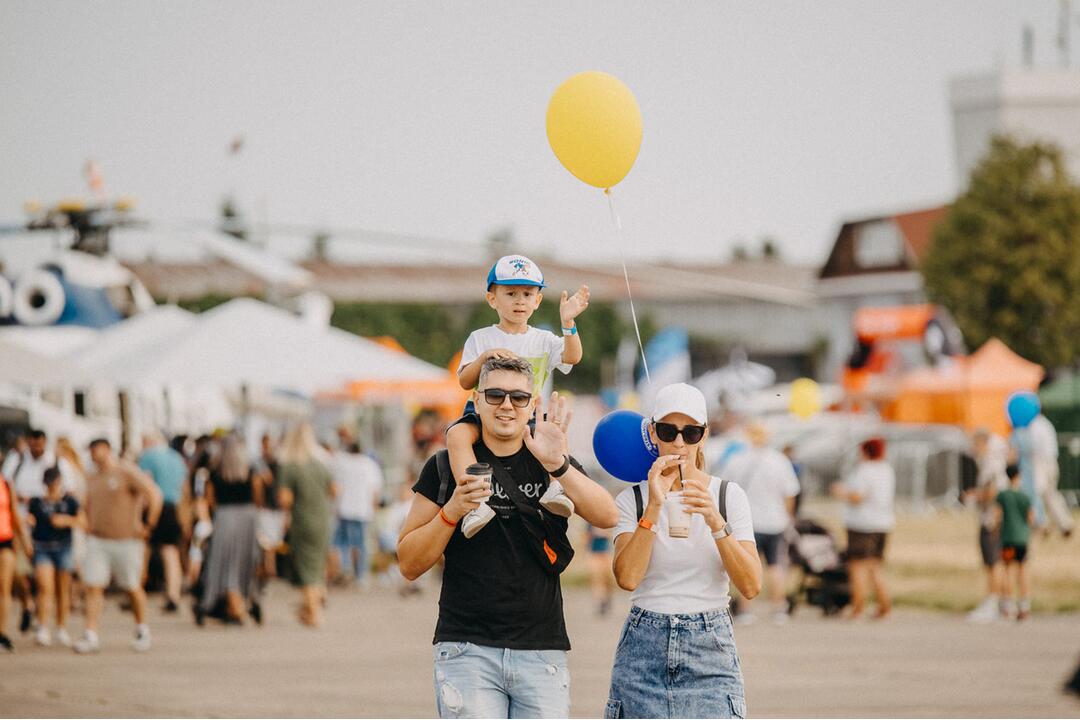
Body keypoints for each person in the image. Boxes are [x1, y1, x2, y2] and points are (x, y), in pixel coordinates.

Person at [398, 357, 618, 719]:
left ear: (532, 404)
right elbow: (408, 562)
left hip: (541, 650)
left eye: (518, 397)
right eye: (496, 394)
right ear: (477, 400)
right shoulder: (443, 467)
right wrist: (451, 511)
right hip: (466, 649)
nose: (506, 405)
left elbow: (607, 516)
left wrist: (558, 464)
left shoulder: (547, 460)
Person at [607, 383, 760, 719]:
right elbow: (627, 578)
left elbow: (750, 585)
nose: (678, 442)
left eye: (690, 433)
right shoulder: (632, 499)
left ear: (703, 436)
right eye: (667, 431)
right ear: (652, 433)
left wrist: (715, 521)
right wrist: (654, 507)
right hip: (644, 643)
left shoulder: (727, 496)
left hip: (710, 644)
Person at [447, 254, 590, 537]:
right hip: (484, 414)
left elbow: (572, 356)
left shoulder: (544, 339)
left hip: (530, 416)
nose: (520, 300)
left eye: (527, 294)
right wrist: (484, 357)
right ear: (492, 299)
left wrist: (568, 323)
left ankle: (556, 488)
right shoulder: (481, 338)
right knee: (456, 435)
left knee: (554, 434)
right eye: (510, 293)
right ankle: (476, 502)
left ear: (537, 301)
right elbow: (464, 380)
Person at [75, 438, 162, 654]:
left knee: (132, 587)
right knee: (93, 586)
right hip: (98, 539)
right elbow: (85, 504)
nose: (93, 455)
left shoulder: (126, 472)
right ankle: (91, 633)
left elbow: (154, 495)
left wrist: (148, 524)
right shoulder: (92, 477)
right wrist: (85, 521)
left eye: (95, 450)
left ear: (106, 449)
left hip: (126, 540)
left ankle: (142, 629)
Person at [724, 422, 800, 625]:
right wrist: (788, 516)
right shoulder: (779, 461)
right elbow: (790, 493)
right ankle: (779, 608)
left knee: (747, 565)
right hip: (775, 521)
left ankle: (746, 610)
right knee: (776, 565)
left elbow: (726, 489)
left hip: (747, 522)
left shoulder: (737, 459)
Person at [196, 433, 262, 626]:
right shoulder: (250, 469)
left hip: (224, 517)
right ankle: (239, 602)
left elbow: (209, 499)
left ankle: (228, 604)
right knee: (243, 560)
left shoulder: (215, 470)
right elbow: (258, 494)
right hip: (247, 517)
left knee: (222, 561)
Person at [277, 423, 335, 627]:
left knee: (306, 566)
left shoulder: (289, 467)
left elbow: (285, 499)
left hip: (302, 520)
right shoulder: (320, 465)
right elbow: (335, 490)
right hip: (322, 518)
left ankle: (314, 613)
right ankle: (312, 603)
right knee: (317, 563)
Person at [832, 437, 895, 620]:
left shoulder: (864, 471)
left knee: (857, 567)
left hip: (862, 525)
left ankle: (857, 607)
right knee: (875, 566)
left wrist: (840, 491)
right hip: (883, 523)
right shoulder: (887, 470)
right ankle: (884, 605)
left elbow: (858, 496)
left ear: (865, 452)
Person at [27, 467, 82, 646]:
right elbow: (29, 518)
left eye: (55, 482)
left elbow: (83, 522)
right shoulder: (36, 502)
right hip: (42, 547)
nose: (53, 487)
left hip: (64, 548)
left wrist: (65, 520)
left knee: (63, 590)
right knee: (45, 587)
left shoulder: (70, 502)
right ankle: (43, 626)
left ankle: (61, 627)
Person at [138, 431, 188, 612]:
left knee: (144, 549)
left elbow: (145, 484)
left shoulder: (147, 457)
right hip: (172, 507)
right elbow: (183, 486)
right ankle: (173, 595)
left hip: (154, 506)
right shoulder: (177, 458)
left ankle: (137, 592)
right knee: (170, 552)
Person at [966, 428, 1010, 623]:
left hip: (992, 520)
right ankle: (1004, 603)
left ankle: (993, 601)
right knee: (995, 563)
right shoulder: (990, 463)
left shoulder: (992, 464)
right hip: (991, 518)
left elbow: (994, 492)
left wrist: (975, 495)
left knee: (994, 563)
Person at [331, 428, 383, 587]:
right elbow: (375, 490)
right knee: (360, 543)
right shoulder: (369, 465)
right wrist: (374, 508)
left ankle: (346, 569)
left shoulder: (342, 462)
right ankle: (361, 574)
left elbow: (335, 486)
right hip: (362, 509)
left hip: (345, 508)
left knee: (343, 543)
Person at [995, 464, 1035, 621]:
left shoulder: (1003, 495)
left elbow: (997, 515)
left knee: (1008, 571)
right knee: (1023, 571)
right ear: (1018, 476)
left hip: (1008, 538)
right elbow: (1031, 518)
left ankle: (1008, 606)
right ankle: (1024, 606)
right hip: (1022, 538)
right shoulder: (1025, 496)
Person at [0, 469, 32, 651]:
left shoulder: (5, 483)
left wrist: (25, 541)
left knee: (4, 585)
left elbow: (14, 514)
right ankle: (27, 603)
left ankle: (2, 633)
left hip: (5, 540)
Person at [1029, 413, 1074, 538]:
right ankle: (1065, 523)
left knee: (1037, 493)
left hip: (1041, 463)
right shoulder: (1046, 424)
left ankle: (1042, 523)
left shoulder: (1034, 425)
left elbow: (1032, 446)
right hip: (1052, 461)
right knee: (1051, 494)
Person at [585, 523, 615, 616]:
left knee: (607, 578)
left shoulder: (607, 520)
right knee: (597, 578)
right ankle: (600, 602)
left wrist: (603, 533)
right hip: (594, 552)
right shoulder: (590, 522)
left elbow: (612, 534)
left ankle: (607, 598)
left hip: (606, 552)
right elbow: (586, 536)